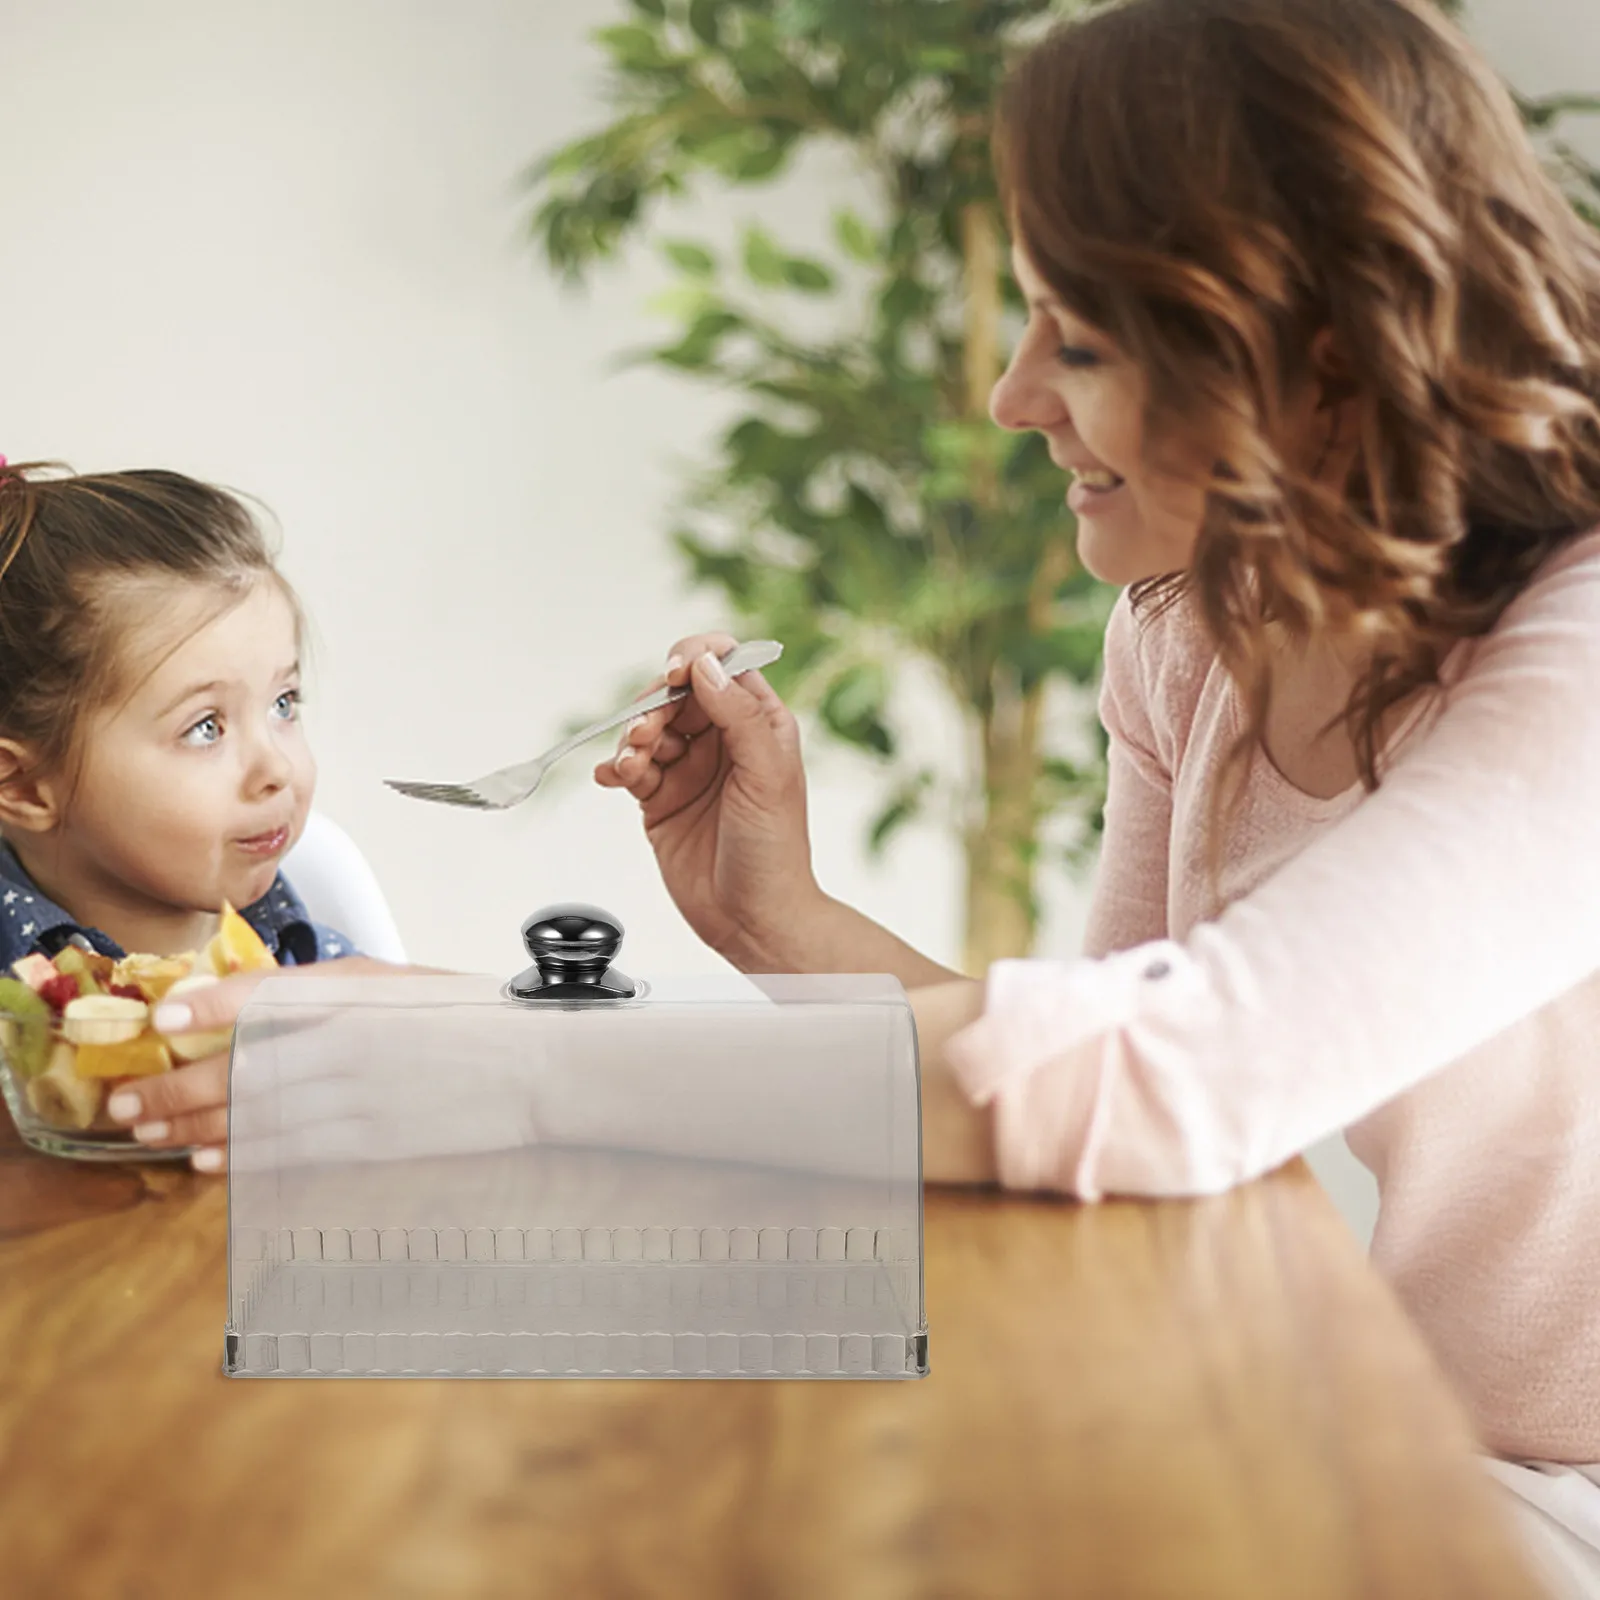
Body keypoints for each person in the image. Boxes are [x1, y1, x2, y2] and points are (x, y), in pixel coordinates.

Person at [594, 0, 1600, 1590]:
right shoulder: (1196, 635)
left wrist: (494, 1080)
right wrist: (778, 919)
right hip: (1418, 1440)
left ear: (1306, 345)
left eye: (1075, 338)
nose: (1008, 397)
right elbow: (1100, 1070)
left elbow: (1169, 1073)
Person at [0, 460, 416, 1169]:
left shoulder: (308, 963)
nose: (277, 770)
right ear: (27, 788)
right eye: (206, 728)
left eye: (284, 705)